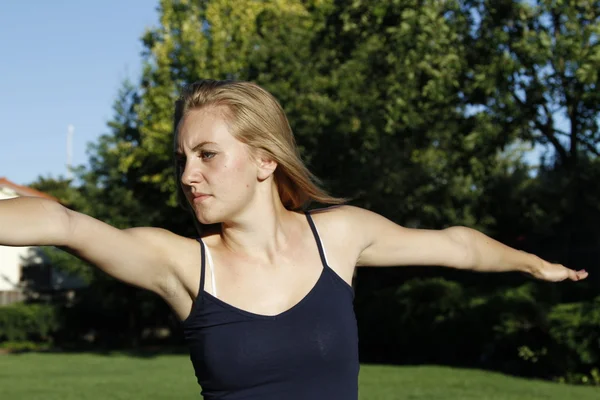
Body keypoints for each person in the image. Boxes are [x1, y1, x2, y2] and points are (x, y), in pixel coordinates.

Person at [0, 79, 588, 399]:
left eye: (207, 155)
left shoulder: (339, 236)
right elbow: (63, 224)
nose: (187, 175)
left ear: (263, 160)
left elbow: (458, 245)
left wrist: (532, 264)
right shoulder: (181, 263)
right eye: (182, 158)